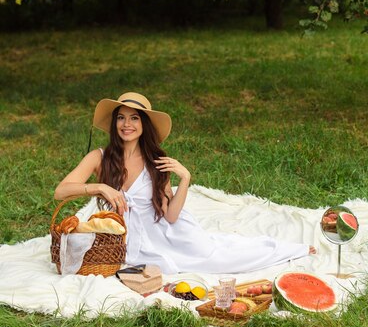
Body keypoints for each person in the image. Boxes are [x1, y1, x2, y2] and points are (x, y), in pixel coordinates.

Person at [54, 92, 316, 273]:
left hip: (166, 234)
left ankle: (291, 249)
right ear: (114, 123)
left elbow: (170, 216)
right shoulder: (99, 157)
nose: (127, 124)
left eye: (134, 118)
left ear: (144, 124)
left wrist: (186, 179)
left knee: (217, 257)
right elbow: (60, 191)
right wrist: (99, 186)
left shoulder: (156, 160)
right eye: (121, 117)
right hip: (124, 239)